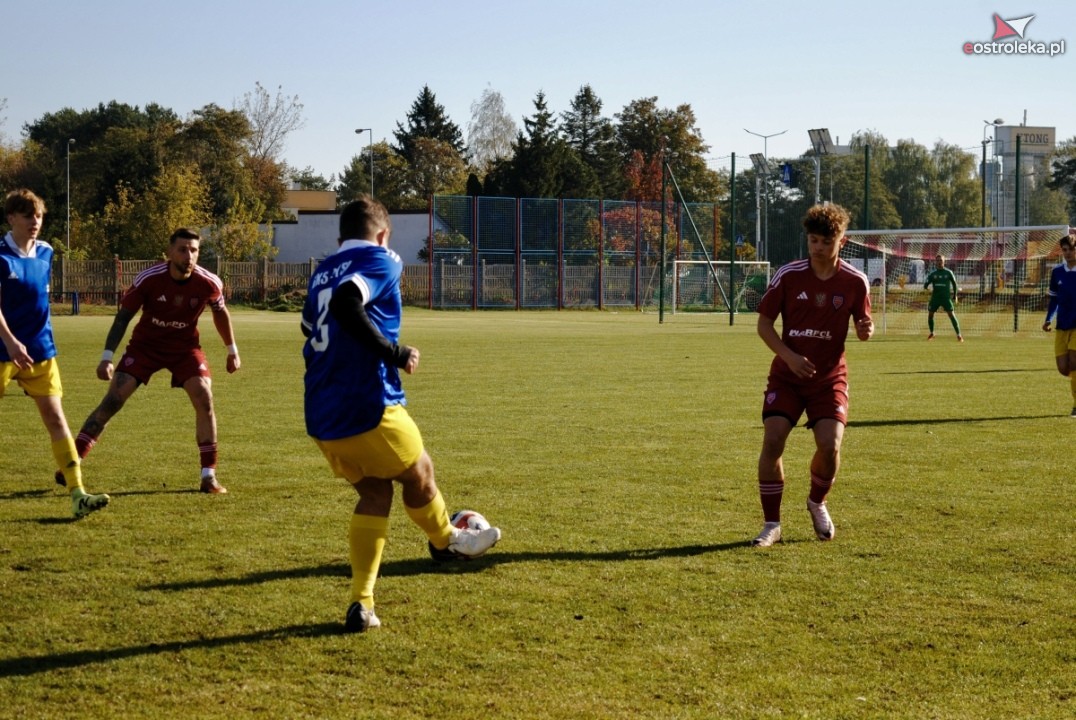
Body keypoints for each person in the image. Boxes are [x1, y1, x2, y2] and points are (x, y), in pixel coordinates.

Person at [301, 195, 501, 634]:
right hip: (367, 403)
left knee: (375, 494)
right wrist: (394, 351)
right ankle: (449, 541)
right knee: (420, 471)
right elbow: (347, 304)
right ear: (383, 233)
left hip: (320, 411)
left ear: (340, 236)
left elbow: (312, 327)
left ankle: (362, 602)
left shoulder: (320, 272)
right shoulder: (381, 257)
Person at [68, 228, 240, 493]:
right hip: (145, 347)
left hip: (184, 349)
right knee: (112, 400)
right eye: (182, 249)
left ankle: (208, 476)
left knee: (204, 397)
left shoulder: (209, 282)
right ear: (169, 253)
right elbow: (123, 317)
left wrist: (232, 349)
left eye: (194, 250)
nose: (189, 256)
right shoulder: (149, 278)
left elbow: (221, 312)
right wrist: (107, 357)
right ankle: (72, 463)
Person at [752, 203, 874, 547]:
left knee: (830, 445)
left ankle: (817, 502)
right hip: (787, 376)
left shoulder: (855, 281)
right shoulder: (789, 275)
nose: (817, 247)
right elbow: (763, 325)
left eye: (825, 241)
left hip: (829, 379)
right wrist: (788, 356)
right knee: (773, 440)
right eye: (813, 240)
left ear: (842, 241)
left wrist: (867, 330)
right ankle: (771, 524)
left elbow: (863, 328)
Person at [1, 189, 110, 518]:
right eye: (27, 215)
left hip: (40, 352)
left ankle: (77, 493)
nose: (35, 222)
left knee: (56, 418)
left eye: (39, 216)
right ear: (11, 218)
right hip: (2, 349)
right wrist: (10, 341)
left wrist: (31, 340)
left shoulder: (46, 252)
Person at [1042, 229, 1076, 417]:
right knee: (1064, 368)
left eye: (1071, 249)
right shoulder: (1057, 273)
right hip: (1062, 326)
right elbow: (1054, 299)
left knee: (1074, 363)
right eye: (1064, 250)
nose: (1068, 253)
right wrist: (1048, 319)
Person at [924, 253, 963, 341]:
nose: (939, 262)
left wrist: (955, 295)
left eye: (941, 260)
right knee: (930, 315)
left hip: (946, 298)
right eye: (937, 260)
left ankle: (959, 335)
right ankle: (932, 333)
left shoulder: (948, 272)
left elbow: (954, 284)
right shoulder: (933, 274)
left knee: (952, 315)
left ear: (944, 261)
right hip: (935, 298)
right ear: (935, 262)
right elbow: (926, 284)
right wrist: (927, 288)